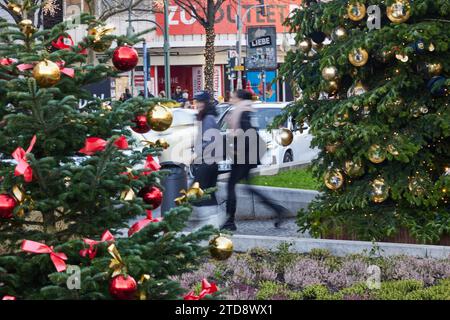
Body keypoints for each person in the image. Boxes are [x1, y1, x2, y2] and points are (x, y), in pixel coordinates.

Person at [222, 89, 289, 231]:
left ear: (239, 98)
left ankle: (229, 221)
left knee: (231, 186)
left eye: (233, 96)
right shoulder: (246, 110)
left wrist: (237, 150)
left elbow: (249, 134)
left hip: (245, 155)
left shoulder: (243, 111)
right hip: (249, 153)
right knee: (248, 187)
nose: (231, 98)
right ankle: (278, 210)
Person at [192, 91, 219, 206]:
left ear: (206, 103)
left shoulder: (208, 118)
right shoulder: (206, 117)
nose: (197, 104)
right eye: (196, 101)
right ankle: (218, 220)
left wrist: (196, 154)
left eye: (200, 102)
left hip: (207, 161)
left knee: (196, 193)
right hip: (210, 161)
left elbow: (209, 141)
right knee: (209, 194)